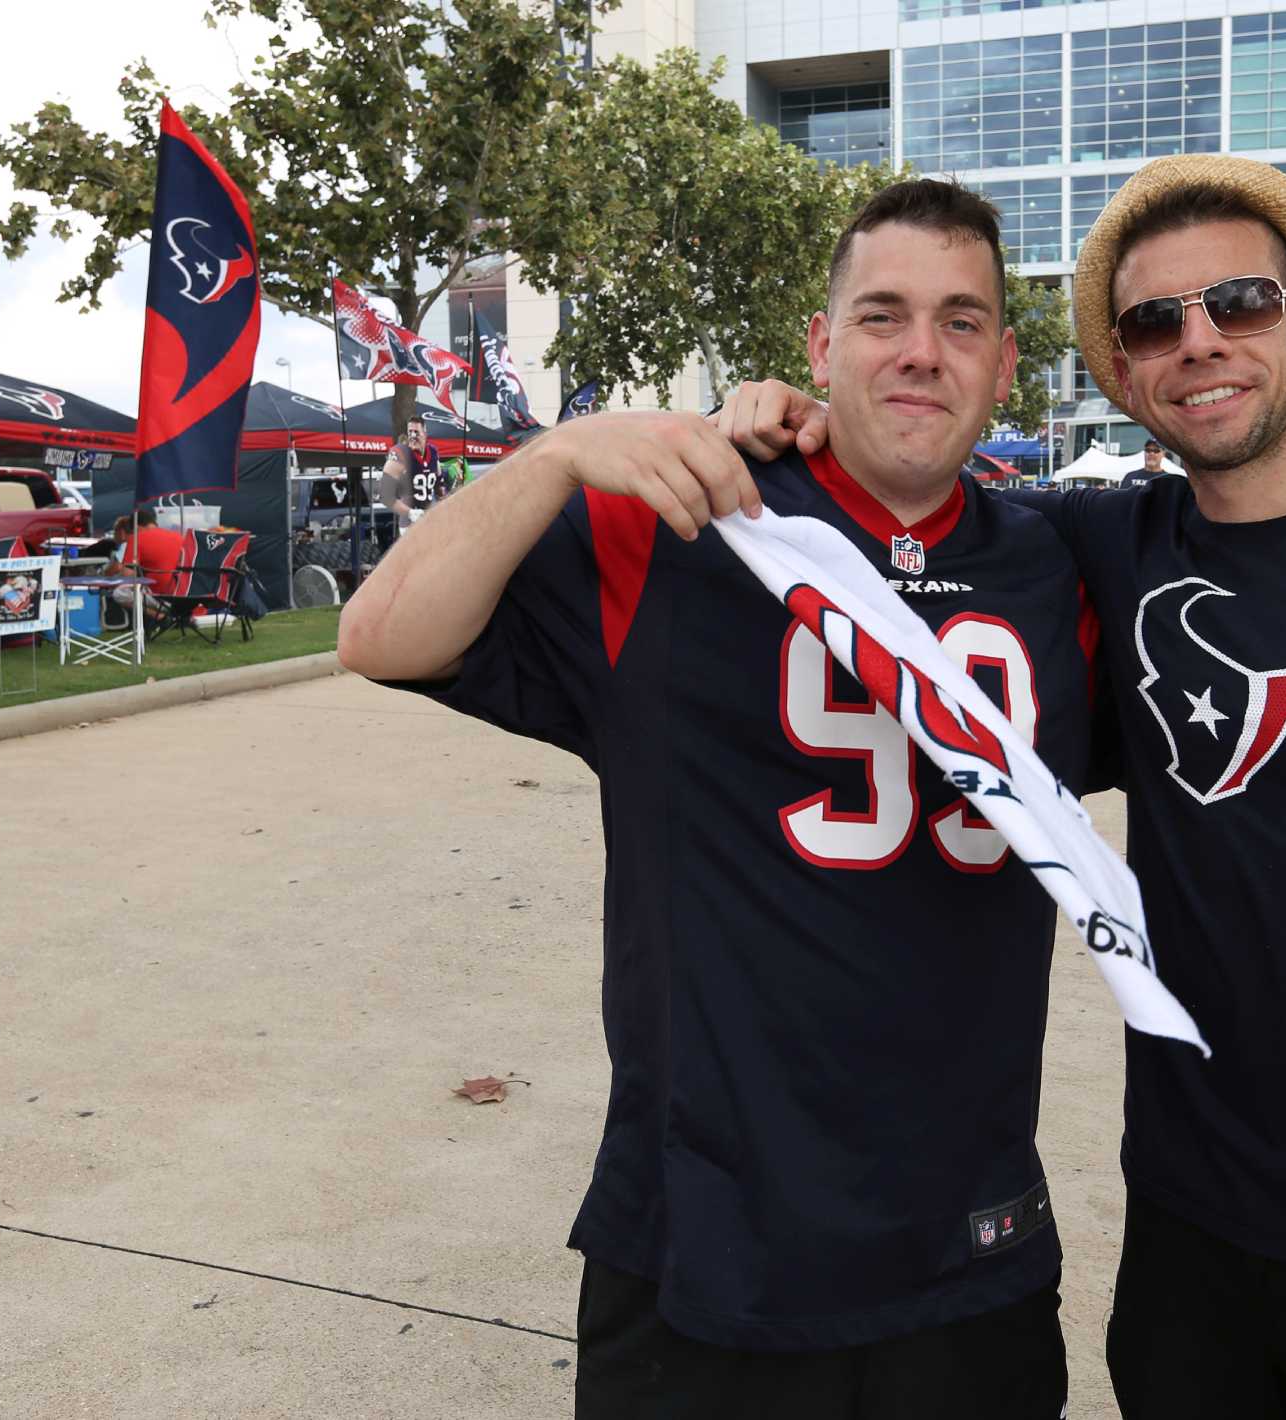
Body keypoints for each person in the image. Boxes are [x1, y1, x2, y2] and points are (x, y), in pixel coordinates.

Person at [713, 154, 1286, 1420]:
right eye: (1154, 322)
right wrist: (786, 412)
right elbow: (913, 489)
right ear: (1125, 370)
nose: (1198, 342)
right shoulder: (1094, 545)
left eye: (1241, 306)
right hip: (1189, 1221)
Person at [337, 180, 1095, 1420]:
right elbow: (381, 634)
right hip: (703, 1232)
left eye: (961, 322)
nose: (919, 350)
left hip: (967, 1247)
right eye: (882, 315)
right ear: (818, 342)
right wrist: (560, 453)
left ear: (1005, 363)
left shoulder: (1064, 564)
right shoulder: (680, 522)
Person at [375, 414, 448, 544]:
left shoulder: (433, 452)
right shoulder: (401, 453)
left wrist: (448, 494)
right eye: (410, 432)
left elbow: (439, 485)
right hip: (409, 524)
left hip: (429, 520)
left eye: (416, 432)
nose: (413, 436)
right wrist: (410, 513)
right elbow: (385, 495)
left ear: (425, 432)